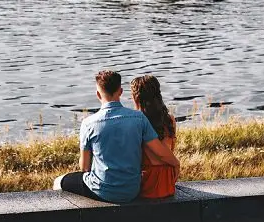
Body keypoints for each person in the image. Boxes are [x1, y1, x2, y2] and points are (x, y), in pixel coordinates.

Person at [54, 70, 179, 203]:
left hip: (102, 190)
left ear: (98, 94)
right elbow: (160, 151)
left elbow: (84, 168)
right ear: (120, 91)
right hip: (133, 189)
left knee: (58, 182)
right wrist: (176, 163)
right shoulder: (140, 118)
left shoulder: (88, 123)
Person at [130, 74, 179, 199]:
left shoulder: (137, 122)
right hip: (168, 180)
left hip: (147, 182)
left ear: (136, 98)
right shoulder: (170, 120)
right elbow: (169, 152)